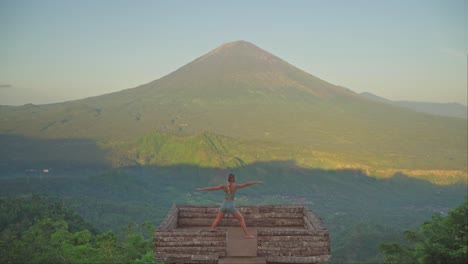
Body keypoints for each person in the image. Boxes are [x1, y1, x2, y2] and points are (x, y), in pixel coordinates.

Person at [196, 173, 262, 239]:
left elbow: (213, 188)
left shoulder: (223, 186)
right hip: (231, 205)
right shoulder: (236, 186)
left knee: (218, 219)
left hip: (224, 204)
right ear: (233, 179)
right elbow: (246, 184)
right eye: (235, 178)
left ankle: (212, 229)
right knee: (241, 219)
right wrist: (256, 182)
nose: (235, 179)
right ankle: (247, 235)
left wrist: (202, 189)